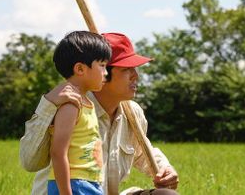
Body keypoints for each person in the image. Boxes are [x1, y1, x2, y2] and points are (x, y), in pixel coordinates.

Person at [20, 32, 179, 195]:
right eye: (126, 69)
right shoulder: (71, 105)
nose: (136, 76)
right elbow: (29, 162)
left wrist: (165, 168)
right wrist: (47, 106)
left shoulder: (133, 112)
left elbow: (142, 151)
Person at [46, 31, 111, 195]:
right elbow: (58, 152)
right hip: (75, 184)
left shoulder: (86, 103)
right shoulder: (71, 105)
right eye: (102, 66)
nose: (106, 73)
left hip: (88, 182)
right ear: (80, 69)